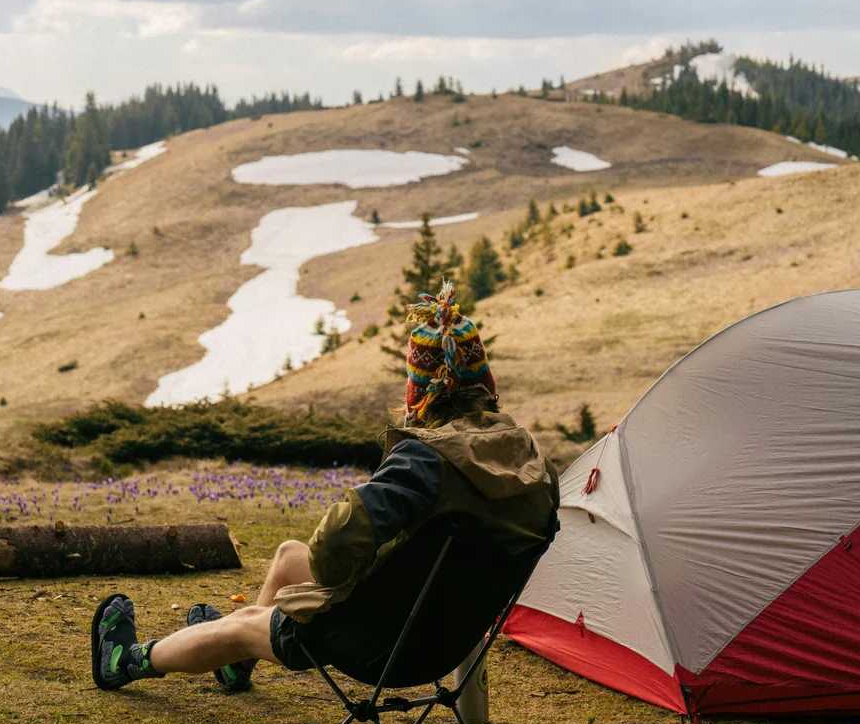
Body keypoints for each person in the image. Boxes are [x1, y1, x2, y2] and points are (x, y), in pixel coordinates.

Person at [91, 281, 560, 692]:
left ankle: (125, 661)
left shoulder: (428, 460)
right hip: (446, 641)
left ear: (420, 391)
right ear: (485, 381)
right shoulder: (536, 466)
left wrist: (340, 589)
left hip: (378, 644)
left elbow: (337, 541)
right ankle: (236, 667)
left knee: (247, 623)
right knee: (288, 555)